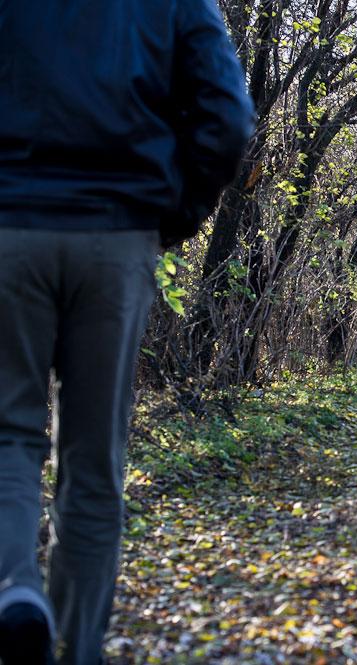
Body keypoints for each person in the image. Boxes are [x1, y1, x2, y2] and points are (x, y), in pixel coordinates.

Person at [0, 0, 255, 662]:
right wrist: (173, 215)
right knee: (94, 458)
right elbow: (228, 120)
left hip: (10, 231)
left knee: (8, 434)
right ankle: (75, 647)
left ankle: (14, 590)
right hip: (117, 238)